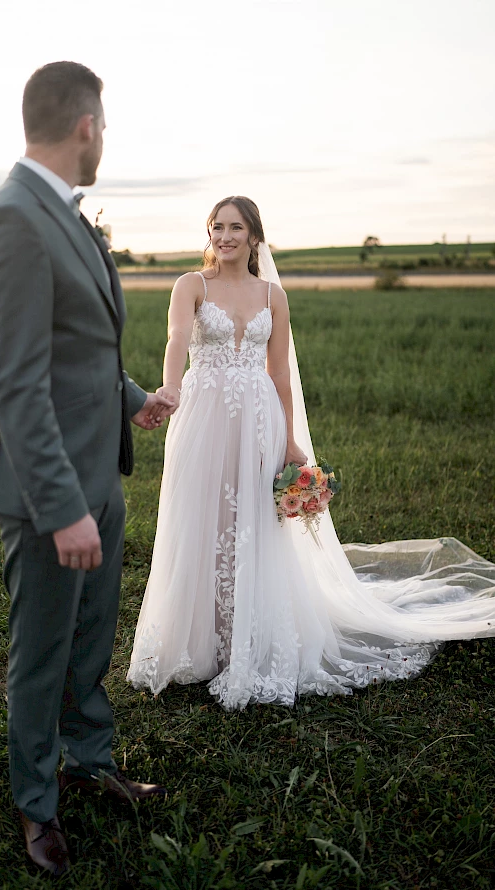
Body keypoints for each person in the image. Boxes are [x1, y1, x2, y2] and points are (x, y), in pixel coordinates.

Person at [127, 195, 495, 712]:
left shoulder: (272, 295)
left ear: (255, 237)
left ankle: (246, 639)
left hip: (258, 419)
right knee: (200, 518)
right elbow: (175, 340)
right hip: (202, 416)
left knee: (252, 522)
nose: (226, 236)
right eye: (218, 226)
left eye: (236, 228)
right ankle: (198, 641)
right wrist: (170, 389)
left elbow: (280, 375)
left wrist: (292, 439)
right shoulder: (191, 285)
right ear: (208, 233)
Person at [0, 62, 175, 878]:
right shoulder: (13, 220)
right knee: (43, 649)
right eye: (106, 126)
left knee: (90, 640)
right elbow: (16, 385)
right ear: (86, 125)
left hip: (100, 472)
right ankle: (36, 804)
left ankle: (90, 760)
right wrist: (61, 509)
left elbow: (76, 346)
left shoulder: (64, 215)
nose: (104, 140)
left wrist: (130, 398)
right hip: (48, 492)